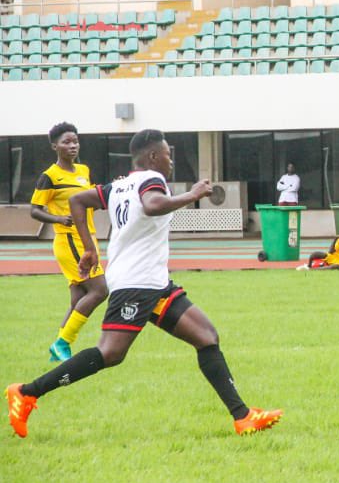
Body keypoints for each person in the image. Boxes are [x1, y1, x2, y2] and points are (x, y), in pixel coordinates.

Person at [6, 129, 282, 438]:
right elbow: (152, 205)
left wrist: (88, 248)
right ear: (153, 157)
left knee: (206, 335)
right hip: (137, 284)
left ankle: (243, 417)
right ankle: (26, 393)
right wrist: (193, 194)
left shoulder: (120, 185)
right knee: (110, 353)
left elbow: (78, 200)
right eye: (167, 154)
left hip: (154, 282)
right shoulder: (153, 179)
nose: (171, 160)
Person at [30, 122, 109, 362]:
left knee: (78, 297)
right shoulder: (50, 176)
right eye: (66, 142)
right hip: (70, 241)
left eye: (75, 141)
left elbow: (89, 200)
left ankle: (58, 349)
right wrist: (58, 219)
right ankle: (63, 342)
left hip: (88, 237)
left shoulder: (84, 171)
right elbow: (35, 210)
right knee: (100, 290)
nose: (72, 145)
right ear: (55, 146)